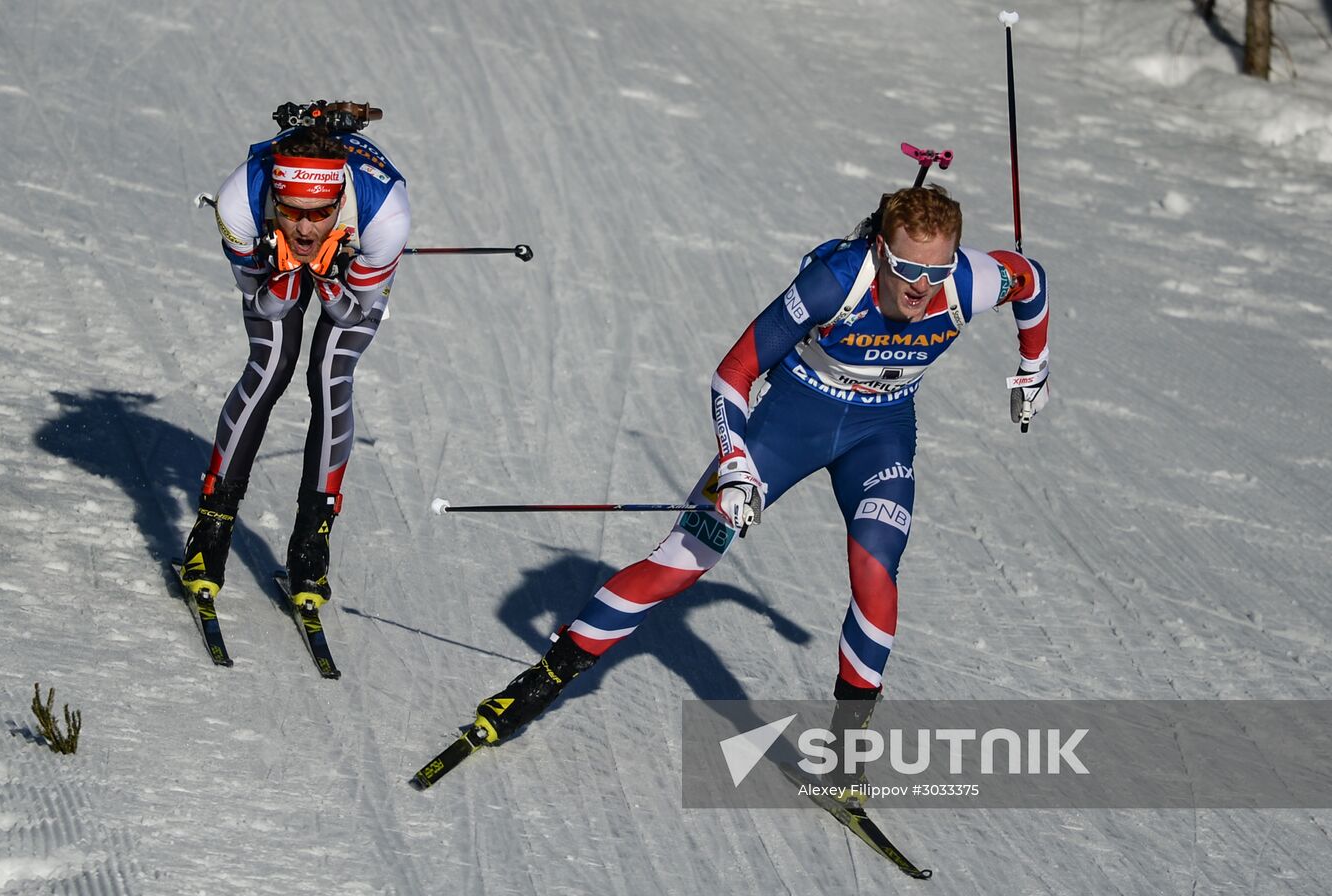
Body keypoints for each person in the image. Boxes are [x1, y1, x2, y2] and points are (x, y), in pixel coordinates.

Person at [466, 184, 1049, 782]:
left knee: (876, 568)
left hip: (882, 431)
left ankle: (845, 756)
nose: (921, 285)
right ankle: (538, 685)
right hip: (793, 418)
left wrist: (1035, 365)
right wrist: (737, 462)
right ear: (880, 250)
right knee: (683, 560)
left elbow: (1031, 279)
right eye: (904, 266)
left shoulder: (972, 282)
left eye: (937, 268)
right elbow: (735, 371)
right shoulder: (834, 281)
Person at [178, 103, 411, 609]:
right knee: (269, 367)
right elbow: (261, 299)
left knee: (330, 372)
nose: (305, 229)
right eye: (291, 211)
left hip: (352, 267)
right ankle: (212, 530)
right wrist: (285, 273)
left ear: (339, 202)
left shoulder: (385, 215)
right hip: (277, 263)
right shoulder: (240, 199)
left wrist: (326, 278)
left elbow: (352, 315)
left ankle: (312, 542)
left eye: (319, 214)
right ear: (275, 198)